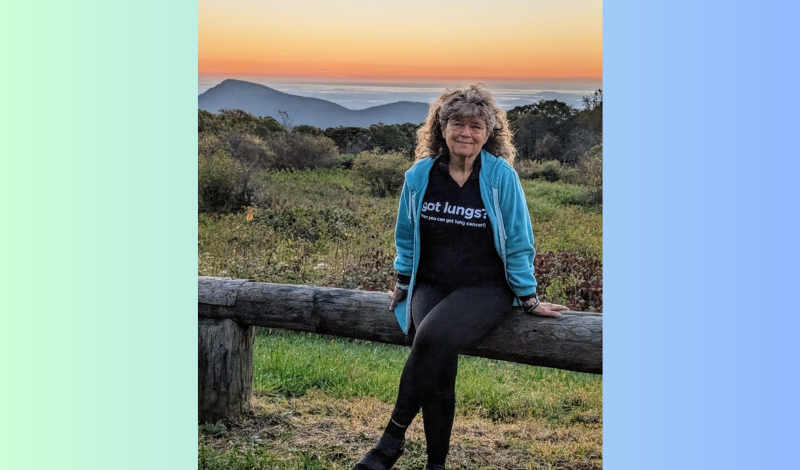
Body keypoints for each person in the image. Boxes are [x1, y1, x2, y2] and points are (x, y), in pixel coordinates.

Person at [353, 85, 568, 470]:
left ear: (489, 133)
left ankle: (390, 441)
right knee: (439, 367)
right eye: (457, 124)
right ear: (441, 128)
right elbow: (406, 234)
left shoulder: (500, 177)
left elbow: (519, 239)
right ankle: (436, 465)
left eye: (475, 126)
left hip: (486, 288)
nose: (465, 133)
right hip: (431, 283)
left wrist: (528, 297)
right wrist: (403, 282)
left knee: (431, 337)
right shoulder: (420, 175)